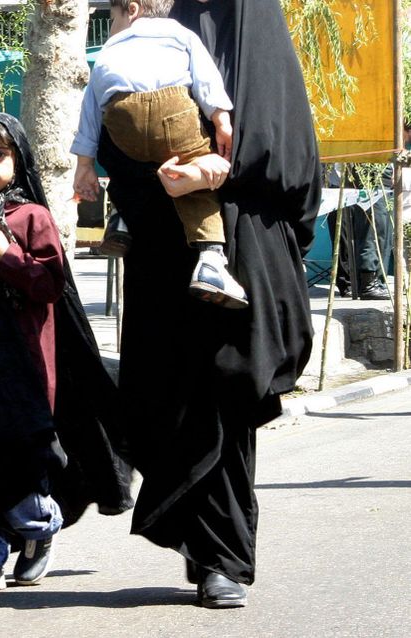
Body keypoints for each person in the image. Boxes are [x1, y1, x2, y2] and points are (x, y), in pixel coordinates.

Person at [96, 0, 320, 608]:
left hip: (242, 244)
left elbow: (288, 150)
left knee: (225, 391)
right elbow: (119, 122)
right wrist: (149, 167)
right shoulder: (155, 30)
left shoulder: (256, 33)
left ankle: (226, 556)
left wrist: (221, 171)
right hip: (163, 249)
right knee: (169, 394)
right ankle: (201, 546)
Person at [0, 112, 133, 595]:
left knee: (17, 456)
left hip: (22, 365)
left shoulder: (31, 218)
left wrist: (8, 255)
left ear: (18, 161)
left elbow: (52, 286)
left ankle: (40, 528)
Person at [72, 0, 247, 309]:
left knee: (129, 167)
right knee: (194, 175)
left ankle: (121, 220)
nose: (111, 27)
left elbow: (90, 113)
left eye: (112, 18)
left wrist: (84, 164)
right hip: (172, 113)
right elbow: (207, 80)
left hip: (122, 119)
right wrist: (221, 121)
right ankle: (210, 259)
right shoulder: (182, 35)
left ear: (133, 10)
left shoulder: (108, 52)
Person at [326, 163, 393, 300]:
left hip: (378, 171)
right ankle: (368, 283)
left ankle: (376, 281)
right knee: (373, 230)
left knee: (381, 232)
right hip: (368, 171)